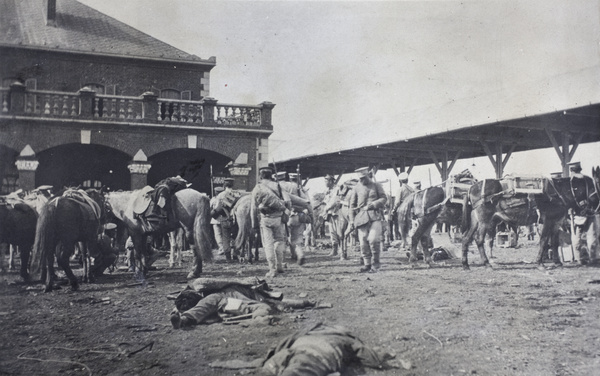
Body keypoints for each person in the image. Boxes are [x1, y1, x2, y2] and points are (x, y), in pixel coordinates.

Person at [169, 277, 315, 329]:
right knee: (259, 307)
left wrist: (304, 302)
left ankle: (259, 319)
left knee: (262, 307)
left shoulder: (254, 292)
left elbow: (279, 301)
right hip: (225, 302)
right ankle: (184, 320)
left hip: (233, 302)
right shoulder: (211, 294)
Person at [251, 166, 292, 278]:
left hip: (265, 219)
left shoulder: (257, 188)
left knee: (268, 244)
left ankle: (272, 269)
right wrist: (286, 214)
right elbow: (288, 201)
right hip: (278, 219)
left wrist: (254, 223)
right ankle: (279, 266)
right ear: (271, 176)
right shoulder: (277, 186)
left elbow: (253, 207)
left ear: (260, 176)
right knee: (279, 240)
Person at [348, 167, 387, 272]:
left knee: (374, 240)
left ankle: (376, 263)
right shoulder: (356, 188)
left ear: (368, 176)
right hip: (361, 218)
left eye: (363, 178)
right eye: (360, 178)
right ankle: (367, 264)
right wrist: (351, 220)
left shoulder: (376, 185)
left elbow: (384, 198)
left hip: (375, 216)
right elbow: (351, 205)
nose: (362, 180)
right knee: (363, 241)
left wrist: (374, 204)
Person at [568, 161, 593, 265]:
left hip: (576, 213)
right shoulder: (588, 179)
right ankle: (592, 257)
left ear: (571, 170)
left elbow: (569, 199)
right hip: (590, 211)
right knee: (591, 235)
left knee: (577, 235)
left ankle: (579, 258)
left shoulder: (571, 181)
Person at [210, 178, 241, 262]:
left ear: (224, 185)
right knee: (235, 237)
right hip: (236, 219)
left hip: (224, 219)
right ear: (232, 185)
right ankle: (235, 254)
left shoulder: (221, 195)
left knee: (225, 238)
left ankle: (228, 258)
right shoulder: (237, 194)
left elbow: (217, 208)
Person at [392, 172, 414, 249]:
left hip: (402, 209)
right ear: (407, 180)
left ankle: (404, 243)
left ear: (400, 181)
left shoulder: (400, 189)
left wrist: (394, 209)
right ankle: (410, 242)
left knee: (402, 227)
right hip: (411, 210)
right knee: (410, 227)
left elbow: (397, 202)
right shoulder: (412, 189)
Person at [322, 174, 341, 257]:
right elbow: (325, 201)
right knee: (332, 232)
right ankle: (334, 250)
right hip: (330, 213)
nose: (325, 183)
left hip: (337, 213)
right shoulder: (327, 191)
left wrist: (326, 208)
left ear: (331, 181)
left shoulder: (337, 189)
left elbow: (334, 201)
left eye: (326, 181)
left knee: (339, 232)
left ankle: (342, 250)